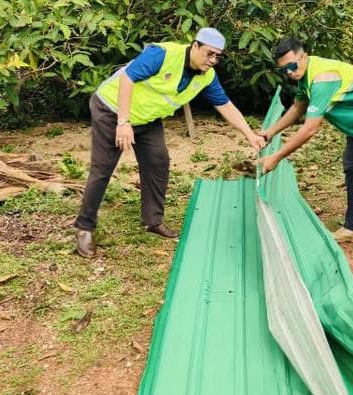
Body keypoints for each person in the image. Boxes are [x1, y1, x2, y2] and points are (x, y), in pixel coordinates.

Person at [74, 27, 264, 257]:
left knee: (158, 162)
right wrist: (123, 122)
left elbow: (225, 105)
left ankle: (153, 220)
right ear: (195, 46)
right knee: (103, 168)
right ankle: (84, 227)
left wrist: (250, 134)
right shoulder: (162, 54)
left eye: (217, 56)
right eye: (209, 53)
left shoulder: (207, 76)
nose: (213, 60)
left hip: (146, 118)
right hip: (112, 109)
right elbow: (128, 77)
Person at [260, 38, 353, 268]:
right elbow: (298, 108)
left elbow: (310, 129)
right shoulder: (305, 76)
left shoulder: (322, 78)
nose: (289, 72)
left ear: (304, 56)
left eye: (292, 66)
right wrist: (270, 132)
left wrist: (276, 157)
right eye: (284, 69)